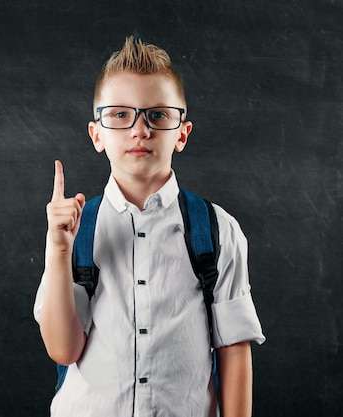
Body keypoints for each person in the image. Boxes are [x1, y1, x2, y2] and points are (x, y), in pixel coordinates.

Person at [33, 37, 266, 417]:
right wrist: (58, 251)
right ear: (97, 134)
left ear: (182, 134)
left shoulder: (216, 229)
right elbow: (63, 350)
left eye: (157, 115)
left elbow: (234, 348)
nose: (139, 130)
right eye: (120, 115)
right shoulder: (78, 231)